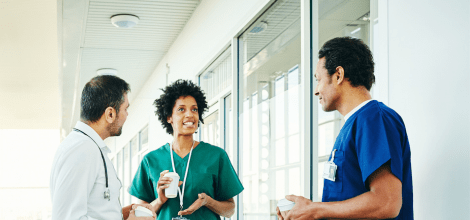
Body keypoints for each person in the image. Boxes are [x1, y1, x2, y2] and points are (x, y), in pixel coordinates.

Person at [276, 37, 413, 219]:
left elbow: (386, 202)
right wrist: (307, 212)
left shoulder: (373, 119)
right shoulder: (353, 125)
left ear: (338, 75)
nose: (316, 90)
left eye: (318, 80)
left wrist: (315, 210)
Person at [129, 79, 244, 220]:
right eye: (181, 109)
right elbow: (140, 214)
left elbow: (230, 210)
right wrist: (160, 200)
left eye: (194, 109)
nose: (190, 115)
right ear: (169, 117)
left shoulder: (216, 156)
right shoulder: (151, 160)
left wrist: (208, 202)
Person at [50, 75, 155, 220]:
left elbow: (94, 210)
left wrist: (124, 213)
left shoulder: (89, 146)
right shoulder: (82, 149)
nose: (127, 115)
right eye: (125, 109)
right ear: (110, 114)